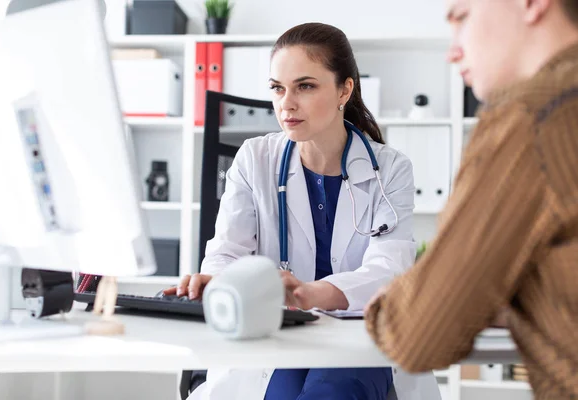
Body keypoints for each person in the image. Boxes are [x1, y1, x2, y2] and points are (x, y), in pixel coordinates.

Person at [163, 23, 440, 400]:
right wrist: (220, 282)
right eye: (278, 88)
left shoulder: (389, 169)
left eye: (304, 86)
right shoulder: (254, 159)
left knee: (334, 389)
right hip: (278, 334)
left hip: (357, 338)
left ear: (345, 89)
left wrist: (311, 294)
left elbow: (389, 271)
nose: (286, 103)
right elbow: (227, 253)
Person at [364, 0, 578, 398]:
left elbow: (419, 334)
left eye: (462, 18)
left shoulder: (531, 115)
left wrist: (386, 305)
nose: (453, 51)